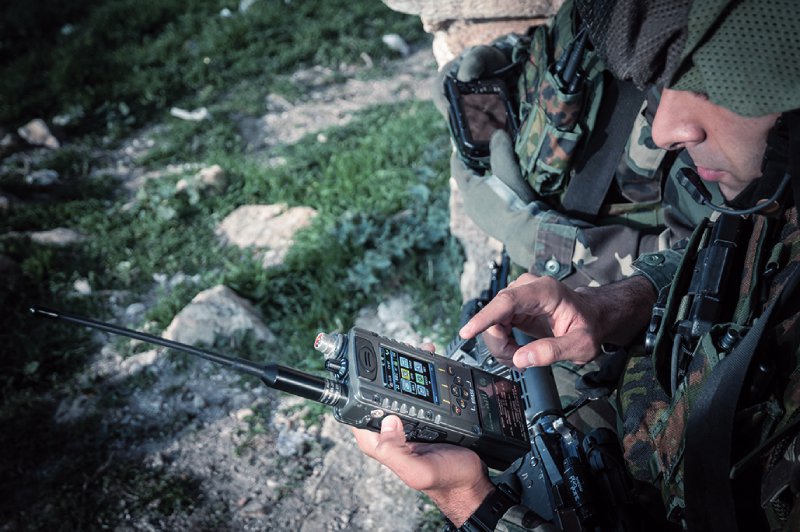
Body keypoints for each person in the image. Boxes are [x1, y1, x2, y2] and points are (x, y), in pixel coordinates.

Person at [353, 0, 800, 530]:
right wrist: (609, 306)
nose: (663, 129)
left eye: (710, 88)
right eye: (665, 86)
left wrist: (471, 504)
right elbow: (735, 259)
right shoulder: (781, 201)